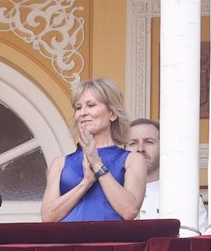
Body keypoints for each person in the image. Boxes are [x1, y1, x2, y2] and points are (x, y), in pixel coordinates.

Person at [41, 78, 146, 222]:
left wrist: (97, 165)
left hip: (110, 243)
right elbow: (48, 217)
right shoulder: (60, 163)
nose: (82, 113)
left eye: (91, 105)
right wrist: (86, 183)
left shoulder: (132, 160)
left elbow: (129, 211)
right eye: (78, 108)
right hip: (68, 243)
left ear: (112, 114)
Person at [127, 118, 208, 234]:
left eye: (149, 142)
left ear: (162, 147)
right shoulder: (114, 192)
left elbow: (200, 242)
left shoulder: (185, 196)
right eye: (133, 143)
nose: (140, 149)